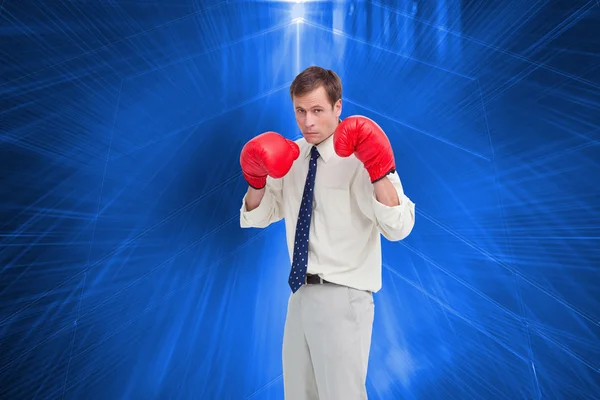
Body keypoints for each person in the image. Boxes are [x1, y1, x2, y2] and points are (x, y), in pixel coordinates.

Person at [239, 66, 416, 400]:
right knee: (298, 395)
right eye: (300, 111)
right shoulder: (289, 156)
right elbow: (258, 216)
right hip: (299, 295)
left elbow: (399, 226)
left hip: (344, 295)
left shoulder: (362, 154)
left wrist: (378, 171)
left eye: (317, 111)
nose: (308, 122)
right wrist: (255, 180)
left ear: (338, 107)